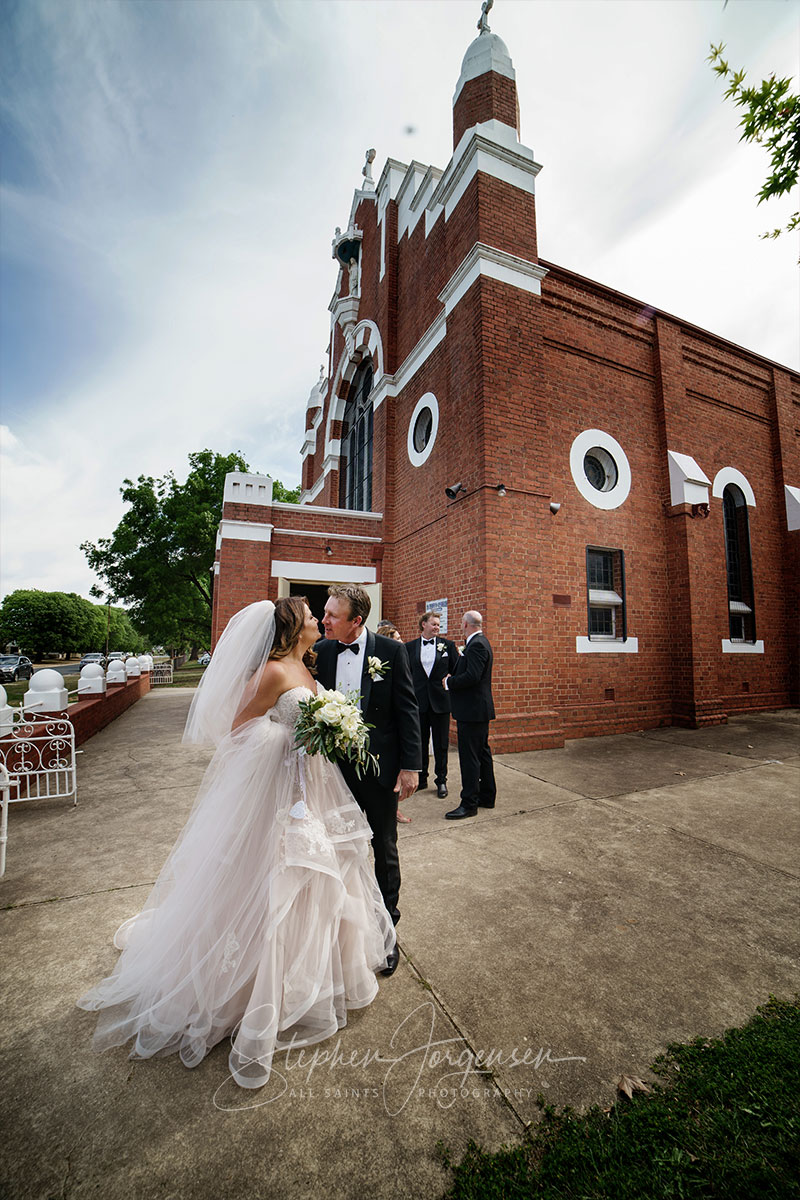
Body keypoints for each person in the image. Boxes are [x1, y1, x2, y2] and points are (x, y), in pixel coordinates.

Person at [77, 597, 395, 1089]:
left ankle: (313, 977)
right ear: (293, 628)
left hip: (312, 784)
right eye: (311, 615)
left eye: (320, 615)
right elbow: (239, 730)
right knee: (272, 880)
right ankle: (249, 990)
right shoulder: (271, 672)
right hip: (279, 792)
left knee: (322, 872)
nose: (317, 620)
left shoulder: (305, 665)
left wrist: (327, 733)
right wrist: (297, 737)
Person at [315, 585, 422, 973]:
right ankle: (342, 931)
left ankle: (386, 933)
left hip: (379, 770)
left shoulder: (392, 652)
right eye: (324, 613)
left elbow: (408, 710)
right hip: (330, 772)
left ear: (356, 621)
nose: (323, 620)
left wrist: (411, 766)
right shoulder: (323, 652)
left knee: (384, 848)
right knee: (337, 848)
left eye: (331, 615)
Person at [443, 609, 496, 819]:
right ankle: (487, 796)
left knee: (470, 758)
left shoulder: (477, 646)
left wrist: (449, 682)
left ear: (465, 624)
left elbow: (473, 677)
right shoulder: (481, 643)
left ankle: (469, 803)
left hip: (472, 711)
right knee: (482, 754)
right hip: (478, 710)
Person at [405, 611, 459, 799]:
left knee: (441, 743)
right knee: (419, 742)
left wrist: (451, 679)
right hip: (418, 703)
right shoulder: (409, 647)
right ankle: (421, 778)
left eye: (438, 624)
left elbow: (457, 669)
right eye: (433, 624)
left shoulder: (448, 646)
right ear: (423, 625)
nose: (437, 627)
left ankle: (441, 780)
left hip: (441, 702)